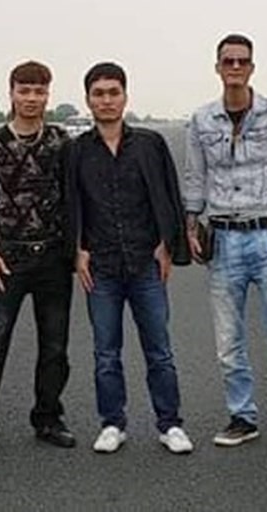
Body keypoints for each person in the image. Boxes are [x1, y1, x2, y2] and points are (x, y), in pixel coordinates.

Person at [184, 33, 267, 460]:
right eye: (229, 61)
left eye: (242, 61)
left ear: (252, 68)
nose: (235, 68)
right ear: (218, 67)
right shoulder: (201, 120)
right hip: (223, 238)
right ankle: (242, 416)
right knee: (228, 341)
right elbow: (195, 174)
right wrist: (191, 222)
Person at [69, 62, 192, 455]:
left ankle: (170, 424)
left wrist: (167, 243)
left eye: (113, 92)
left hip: (145, 264)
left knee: (160, 351)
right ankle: (112, 423)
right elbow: (70, 203)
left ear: (125, 97)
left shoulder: (150, 144)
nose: (106, 100)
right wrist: (77, 250)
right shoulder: (76, 151)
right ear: (88, 100)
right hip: (101, 267)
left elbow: (169, 194)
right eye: (98, 94)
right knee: (106, 354)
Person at [0, 61, 74, 463]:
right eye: (24, 90)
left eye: (39, 91)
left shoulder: (60, 141)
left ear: (48, 95)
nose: (31, 98)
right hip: (7, 258)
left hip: (53, 257)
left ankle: (48, 417)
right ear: (11, 93)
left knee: (55, 345)